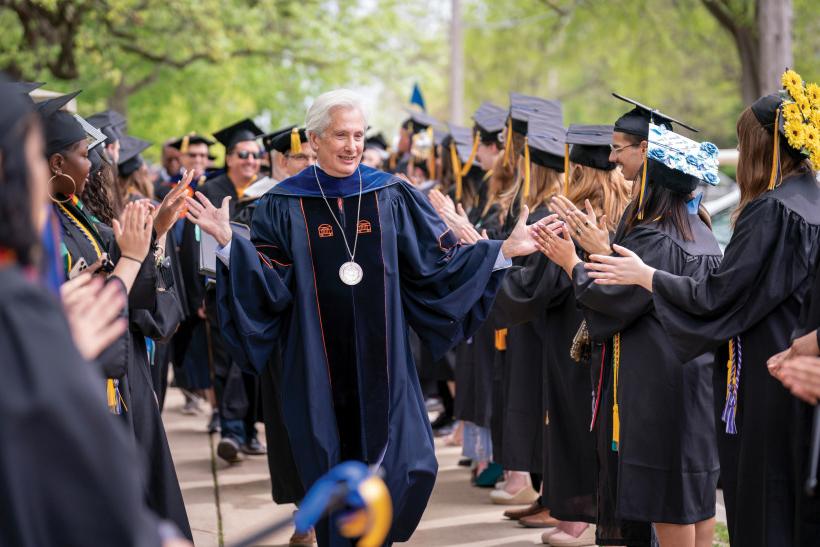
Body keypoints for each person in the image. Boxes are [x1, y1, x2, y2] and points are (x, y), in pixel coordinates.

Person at [186, 89, 545, 546]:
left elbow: (436, 263)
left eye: (357, 135)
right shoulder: (283, 203)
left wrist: (501, 252)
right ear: (314, 141)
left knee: (414, 466)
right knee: (330, 477)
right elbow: (267, 280)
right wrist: (229, 245)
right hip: (317, 369)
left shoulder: (391, 195)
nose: (352, 145)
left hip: (387, 368)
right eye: (340, 135)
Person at [583, 75, 820, 546]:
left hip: (768, 375)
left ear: (765, 146)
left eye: (742, 142)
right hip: (803, 369)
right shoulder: (812, 203)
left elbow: (718, 295)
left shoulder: (771, 211)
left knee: (763, 498)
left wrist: (644, 276)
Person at [0, 76, 190, 546]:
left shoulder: (67, 213)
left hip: (110, 379)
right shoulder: (39, 237)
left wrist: (154, 236)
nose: (96, 163)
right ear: (51, 162)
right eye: (86, 153)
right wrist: (127, 259)